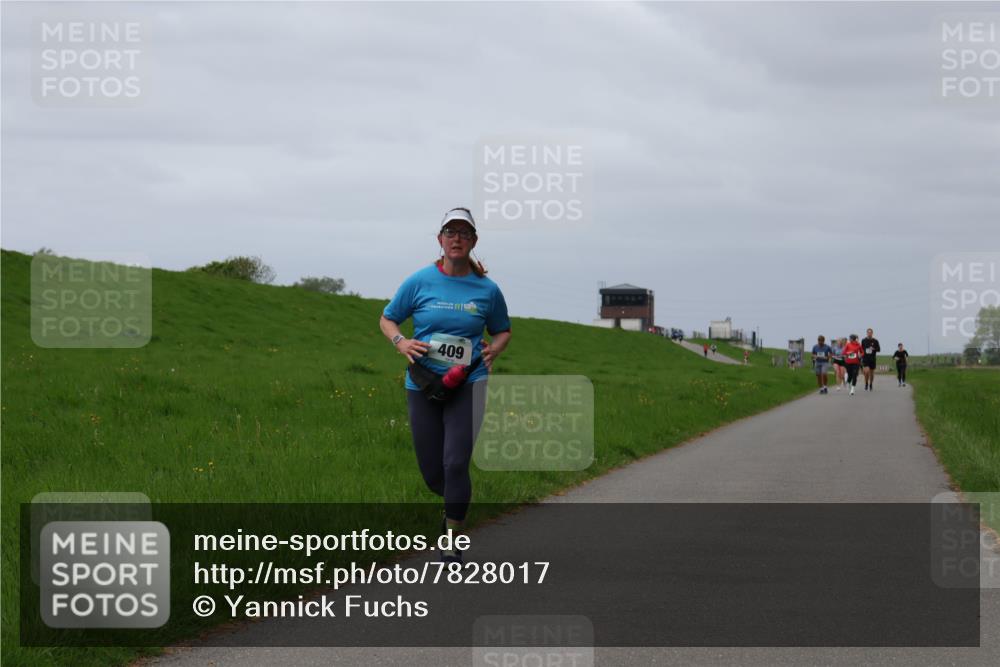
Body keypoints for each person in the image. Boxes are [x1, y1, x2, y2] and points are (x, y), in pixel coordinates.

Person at [379, 207, 512, 563]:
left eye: (463, 233)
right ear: (440, 240)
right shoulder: (419, 281)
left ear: (473, 241)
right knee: (433, 472)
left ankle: (452, 538)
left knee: (455, 462)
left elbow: (502, 329)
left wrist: (493, 351)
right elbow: (388, 319)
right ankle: (452, 501)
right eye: (450, 233)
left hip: (470, 380)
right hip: (422, 381)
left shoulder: (487, 289)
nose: (456, 238)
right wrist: (401, 343)